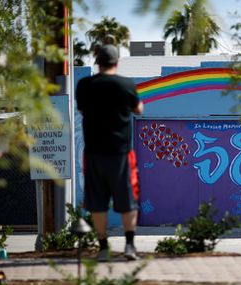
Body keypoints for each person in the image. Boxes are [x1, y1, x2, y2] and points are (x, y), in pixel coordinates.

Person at [76, 44, 144, 261]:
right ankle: (130, 246)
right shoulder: (126, 85)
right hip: (121, 153)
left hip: (94, 153)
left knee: (98, 203)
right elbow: (139, 109)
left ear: (98, 63)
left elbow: (81, 110)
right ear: (117, 62)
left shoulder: (85, 85)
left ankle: (103, 247)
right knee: (128, 201)